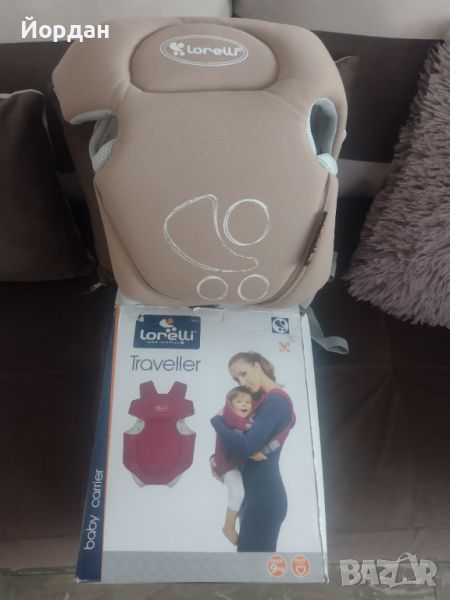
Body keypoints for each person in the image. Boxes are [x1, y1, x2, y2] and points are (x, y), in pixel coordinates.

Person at [210, 352, 295, 552]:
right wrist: (216, 458)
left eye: (243, 373)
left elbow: (247, 446)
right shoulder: (257, 402)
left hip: (263, 498)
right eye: (236, 379)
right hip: (254, 496)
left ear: (257, 366)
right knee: (250, 564)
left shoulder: (276, 402)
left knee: (254, 566)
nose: (242, 382)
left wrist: (216, 422)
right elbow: (237, 436)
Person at [213, 386, 267, 546]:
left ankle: (233, 521)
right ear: (230, 405)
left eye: (248, 402)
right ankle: (228, 527)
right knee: (237, 493)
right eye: (239, 401)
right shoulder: (230, 422)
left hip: (233, 464)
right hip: (226, 465)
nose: (245, 404)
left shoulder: (241, 421)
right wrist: (252, 454)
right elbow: (237, 445)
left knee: (242, 495)